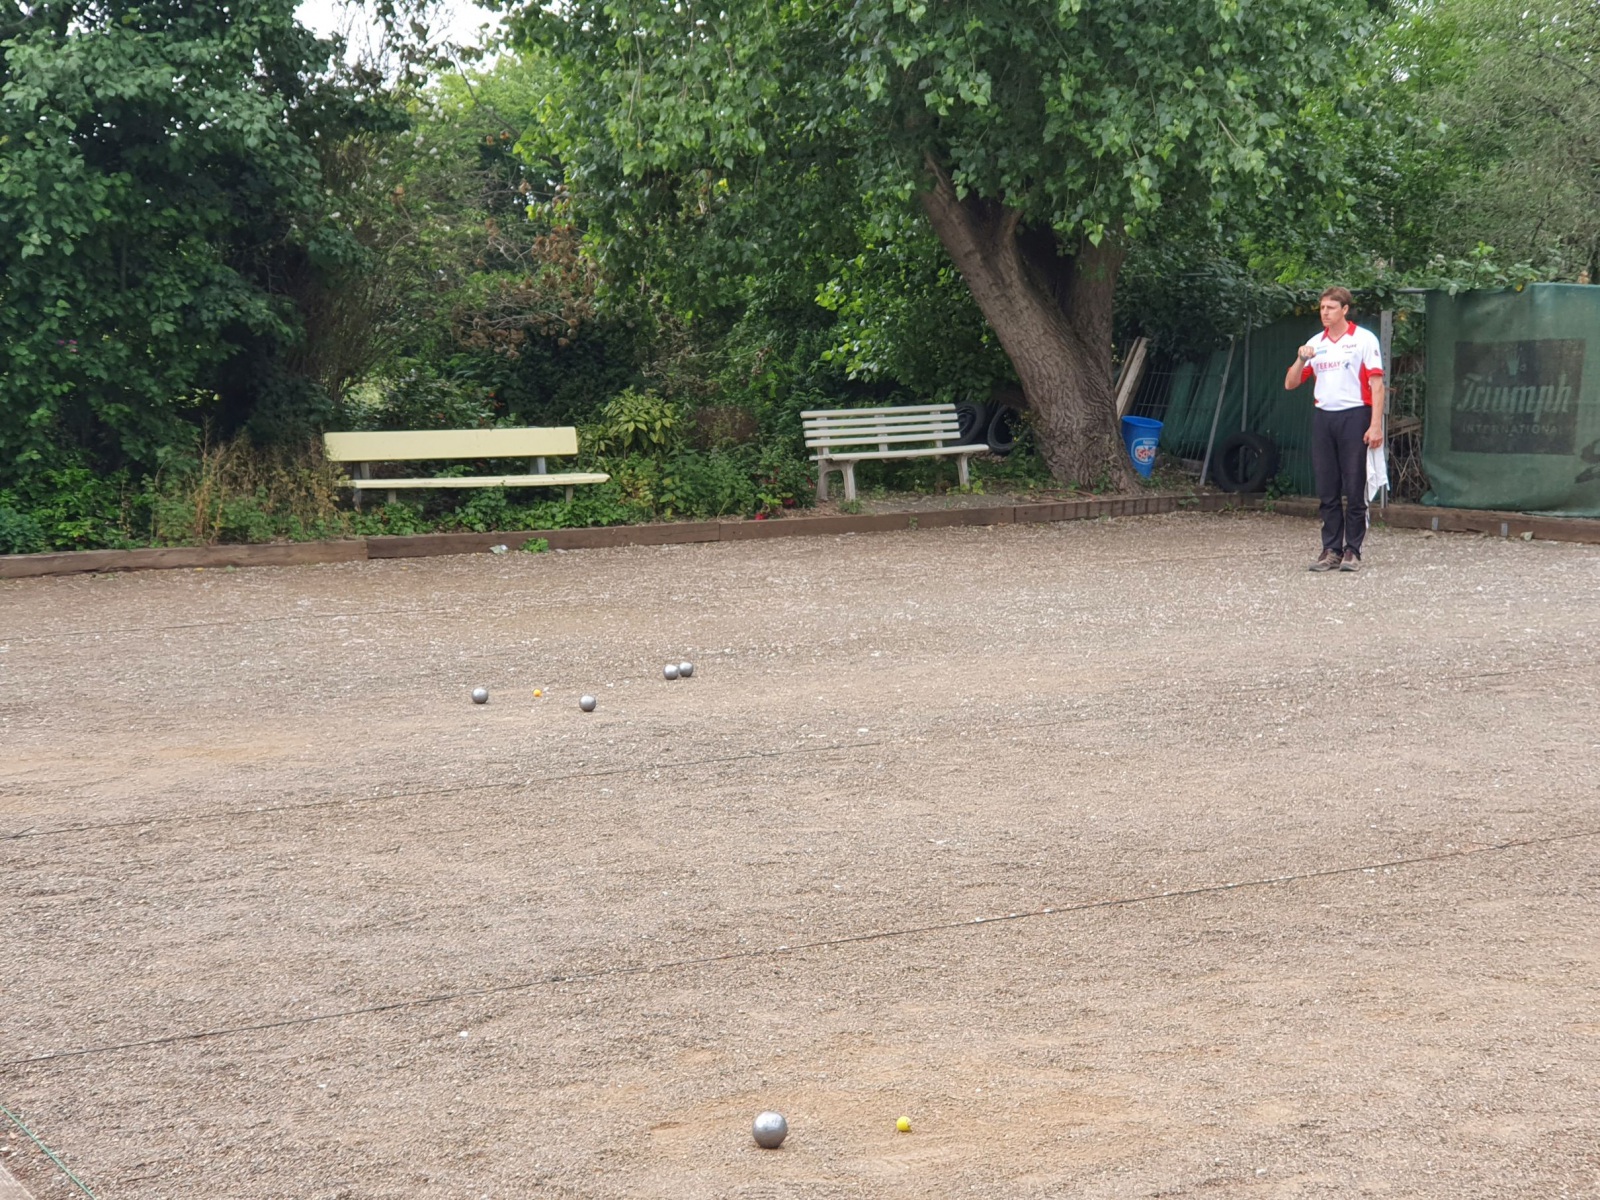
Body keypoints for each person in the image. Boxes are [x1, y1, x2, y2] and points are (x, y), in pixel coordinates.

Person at [1284, 286, 1385, 572]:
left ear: (1344, 310)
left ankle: (1353, 549)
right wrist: (1301, 358)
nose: (1325, 313)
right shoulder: (1315, 343)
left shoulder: (1363, 339)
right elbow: (1290, 383)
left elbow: (1377, 385)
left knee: (1354, 485)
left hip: (1355, 415)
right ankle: (1331, 548)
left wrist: (1375, 425)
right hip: (1324, 417)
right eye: (1322, 308)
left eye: (1330, 308)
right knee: (1327, 486)